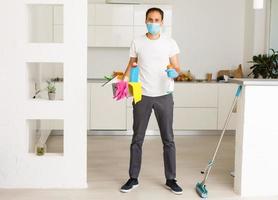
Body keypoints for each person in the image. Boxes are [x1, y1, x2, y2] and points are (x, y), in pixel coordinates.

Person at [120, 7, 183, 195]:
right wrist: (124, 82)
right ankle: (133, 178)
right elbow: (131, 65)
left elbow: (177, 67)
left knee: (168, 139)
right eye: (150, 19)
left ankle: (171, 179)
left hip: (164, 95)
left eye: (157, 20)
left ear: (162, 22)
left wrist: (175, 72)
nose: (153, 22)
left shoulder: (170, 43)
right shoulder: (137, 42)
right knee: (137, 139)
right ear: (145, 21)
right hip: (142, 95)